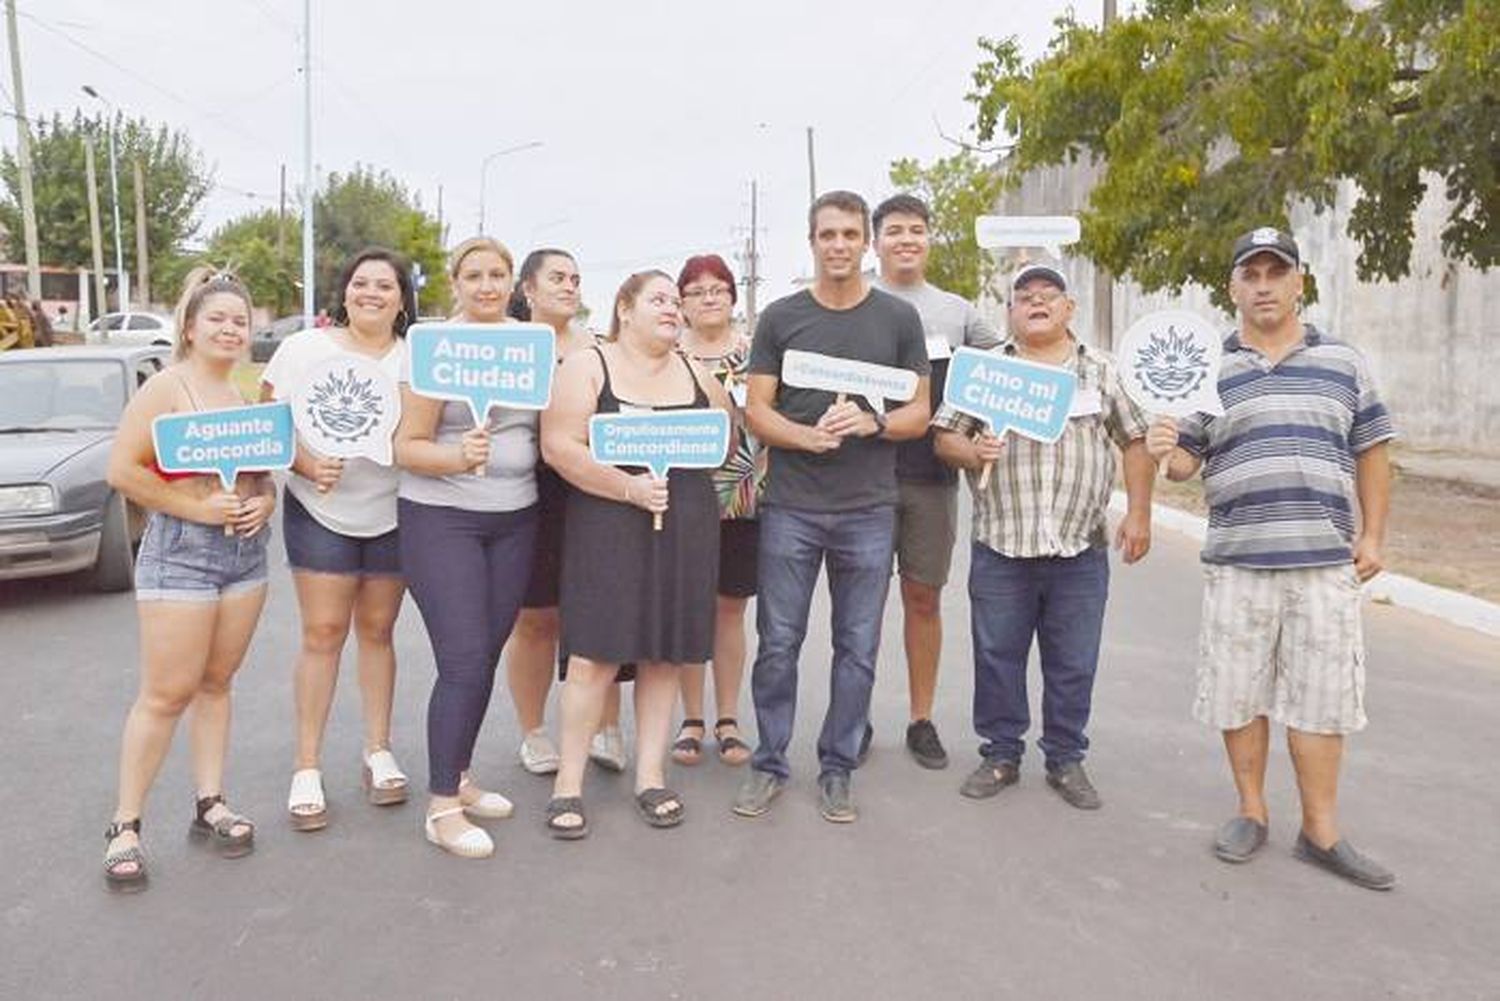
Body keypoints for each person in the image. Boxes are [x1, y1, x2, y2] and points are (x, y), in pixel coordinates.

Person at [1147, 227, 1397, 890]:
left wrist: (1373, 537)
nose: (1263, 285)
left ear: (1298, 283)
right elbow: (1182, 465)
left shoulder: (1343, 362)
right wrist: (1163, 445)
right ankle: (1250, 811)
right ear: (1232, 287)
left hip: (1322, 561)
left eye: (1275, 273)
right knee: (1239, 693)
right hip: (1238, 559)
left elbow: (1373, 448)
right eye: (1250, 274)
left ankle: (1321, 830)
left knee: (1322, 700)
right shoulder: (1210, 368)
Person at [733, 190, 931, 824]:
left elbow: (918, 412)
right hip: (792, 503)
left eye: (850, 234)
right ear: (812, 242)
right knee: (779, 643)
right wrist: (804, 436)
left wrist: (872, 424)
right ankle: (768, 763)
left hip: (869, 508)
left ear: (866, 242)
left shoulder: (897, 319)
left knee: (858, 646)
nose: (840, 245)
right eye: (828, 235)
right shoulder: (781, 318)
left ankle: (838, 766)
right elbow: (757, 409)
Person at [932, 263, 1152, 811]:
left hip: (1080, 546)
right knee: (997, 655)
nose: (1036, 303)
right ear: (1009, 312)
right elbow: (944, 439)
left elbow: (1136, 440)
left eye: (1048, 295)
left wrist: (1140, 513)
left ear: (1068, 308)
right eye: (1024, 296)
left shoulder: (1101, 371)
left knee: (1074, 659)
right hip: (1003, 543)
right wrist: (972, 450)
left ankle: (1065, 757)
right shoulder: (984, 372)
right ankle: (1000, 753)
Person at [540, 270, 733, 837]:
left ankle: (651, 776)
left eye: (677, 301)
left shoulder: (698, 372)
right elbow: (559, 446)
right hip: (607, 524)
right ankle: (567, 784)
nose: (672, 309)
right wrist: (626, 487)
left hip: (685, 525)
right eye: (658, 299)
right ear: (624, 309)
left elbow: (724, 437)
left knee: (665, 653)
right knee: (595, 655)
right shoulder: (587, 366)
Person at [100, 268, 277, 889]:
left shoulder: (246, 397)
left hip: (245, 554)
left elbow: (262, 473)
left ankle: (211, 801)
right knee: (166, 693)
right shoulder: (167, 388)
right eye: (218, 320)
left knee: (217, 682)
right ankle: (125, 824)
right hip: (180, 550)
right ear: (190, 328)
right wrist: (194, 508)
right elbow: (123, 469)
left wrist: (265, 500)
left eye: (239, 321)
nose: (230, 330)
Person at [260, 248, 414, 831]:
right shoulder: (303, 348)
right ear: (343, 292)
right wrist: (302, 463)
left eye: (384, 285)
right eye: (360, 283)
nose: (370, 293)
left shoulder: (414, 358)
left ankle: (378, 750)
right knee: (323, 634)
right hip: (319, 510)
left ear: (402, 298)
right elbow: (265, 419)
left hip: (394, 515)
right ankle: (307, 766)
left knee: (378, 631)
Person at [394, 237, 538, 859]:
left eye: (497, 274)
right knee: (463, 656)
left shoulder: (532, 346)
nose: (486, 285)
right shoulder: (433, 349)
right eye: (474, 275)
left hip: (516, 519)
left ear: (512, 282)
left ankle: (460, 773)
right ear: (453, 282)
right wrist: (457, 455)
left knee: (486, 653)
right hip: (441, 518)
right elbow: (406, 445)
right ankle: (441, 807)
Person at [869, 193, 1001, 770]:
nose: (906, 239)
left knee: (923, 599)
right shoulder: (857, 304)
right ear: (877, 240)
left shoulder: (958, 311)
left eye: (916, 230)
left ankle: (921, 719)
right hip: (862, 479)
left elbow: (1007, 369)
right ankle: (854, 715)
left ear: (928, 239)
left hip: (931, 480)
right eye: (894, 230)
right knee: (861, 605)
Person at [504, 248, 625, 775]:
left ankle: (606, 727)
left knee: (603, 611)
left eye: (575, 278)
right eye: (556, 278)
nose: (569, 287)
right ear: (527, 289)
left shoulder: (601, 349)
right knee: (535, 619)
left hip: (592, 490)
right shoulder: (503, 347)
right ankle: (533, 733)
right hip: (527, 489)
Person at [669, 254, 763, 767]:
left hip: (743, 498)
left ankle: (727, 719)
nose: (709, 298)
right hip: (680, 500)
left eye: (719, 288)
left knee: (729, 611)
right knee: (690, 609)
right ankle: (691, 718)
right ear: (681, 303)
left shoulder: (757, 355)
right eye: (696, 290)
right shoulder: (664, 355)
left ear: (733, 295)